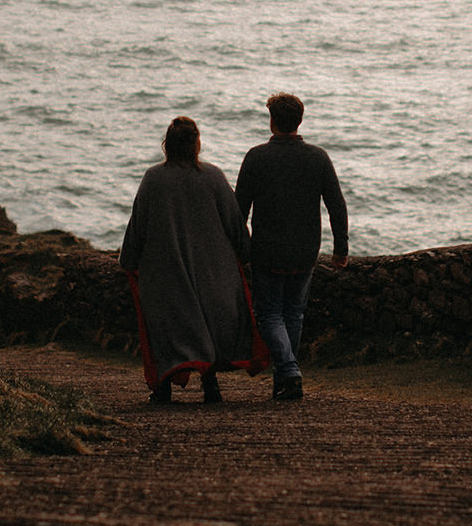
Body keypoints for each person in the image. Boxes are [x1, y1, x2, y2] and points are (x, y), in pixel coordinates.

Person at [119, 116, 268, 404]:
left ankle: (162, 388)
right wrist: (245, 253)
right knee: (209, 322)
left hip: (165, 270)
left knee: (166, 325)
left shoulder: (154, 178)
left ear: (167, 146)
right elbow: (235, 223)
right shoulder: (213, 176)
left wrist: (128, 259)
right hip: (213, 268)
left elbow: (138, 225)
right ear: (196, 144)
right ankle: (210, 384)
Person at [235, 92, 348, 402]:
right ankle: (285, 378)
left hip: (267, 250)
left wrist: (238, 247)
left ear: (272, 122)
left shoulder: (256, 157)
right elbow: (336, 205)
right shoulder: (318, 157)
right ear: (299, 121)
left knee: (270, 314)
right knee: (294, 314)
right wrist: (341, 248)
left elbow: (239, 209)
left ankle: (289, 371)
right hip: (305, 249)